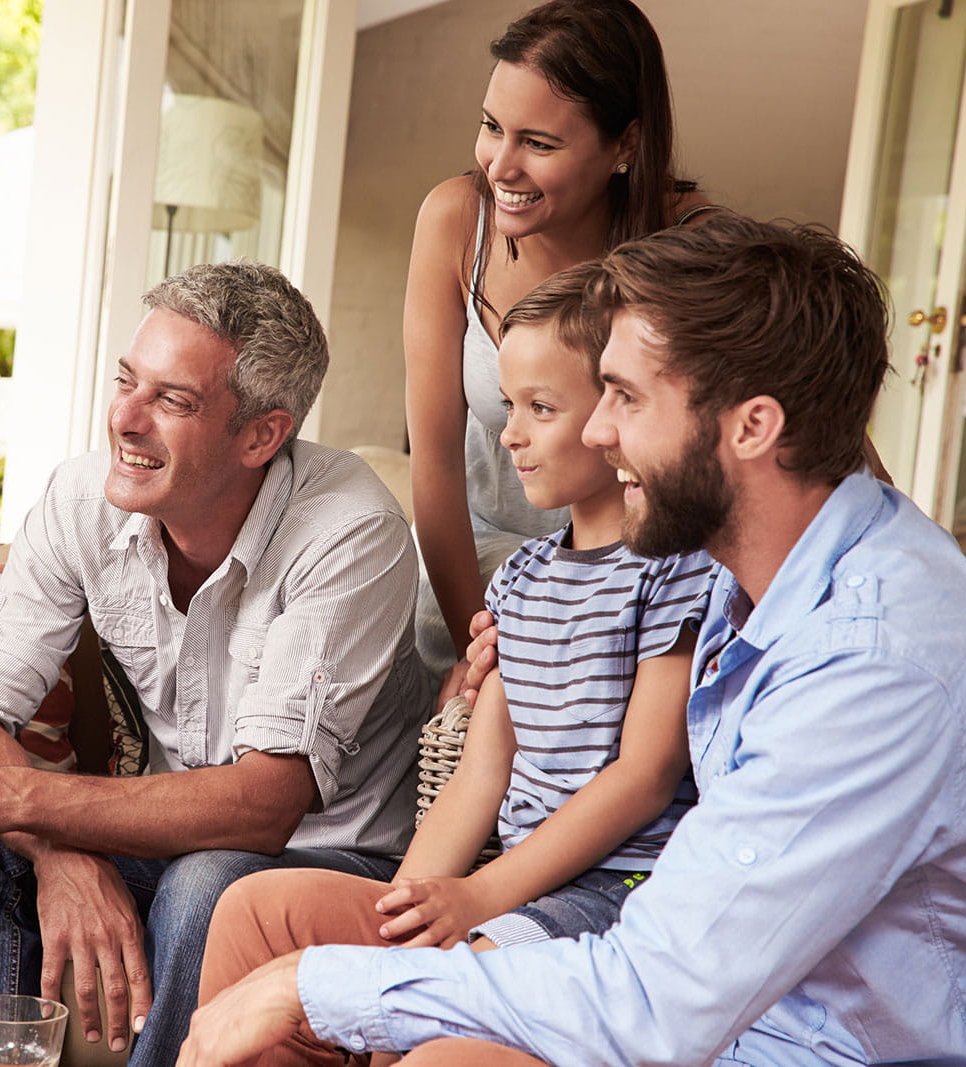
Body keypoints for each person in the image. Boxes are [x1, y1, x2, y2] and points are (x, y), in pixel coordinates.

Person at [178, 217, 966, 1067]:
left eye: (625, 397)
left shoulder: (871, 663)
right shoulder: (767, 583)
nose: (596, 431)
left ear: (752, 427)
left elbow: (656, 998)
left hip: (788, 1038)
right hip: (713, 995)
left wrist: (324, 987)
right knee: (264, 924)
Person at [0, 261, 429, 1066]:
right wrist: (58, 850)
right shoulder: (85, 498)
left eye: (172, 400)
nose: (125, 417)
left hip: (325, 852)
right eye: (127, 382)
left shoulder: (350, 532)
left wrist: (19, 795)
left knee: (205, 885)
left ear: (262, 434)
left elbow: (264, 806)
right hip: (162, 832)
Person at [196, 264, 715, 1024]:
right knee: (253, 909)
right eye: (509, 404)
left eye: (541, 406)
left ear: (618, 410)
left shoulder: (675, 572)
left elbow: (643, 777)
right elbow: (482, 774)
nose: (510, 432)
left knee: (403, 1007)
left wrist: (479, 894)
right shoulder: (520, 583)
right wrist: (406, 910)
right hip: (510, 888)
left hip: (614, 899)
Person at [407, 0, 712, 692]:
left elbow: (794, 406)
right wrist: (475, 651)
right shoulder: (456, 221)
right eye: (492, 128)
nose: (500, 165)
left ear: (625, 146)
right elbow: (434, 469)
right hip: (478, 578)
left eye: (538, 144)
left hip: (634, 582)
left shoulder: (689, 241)